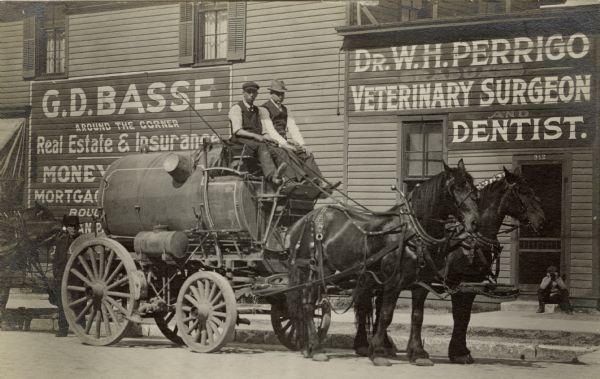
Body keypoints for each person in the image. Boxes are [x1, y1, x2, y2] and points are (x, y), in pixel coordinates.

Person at [260, 79, 327, 187]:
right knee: (288, 152)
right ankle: (297, 180)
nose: (281, 96)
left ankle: (318, 181)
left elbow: (293, 128)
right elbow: (271, 131)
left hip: (284, 142)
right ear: (271, 93)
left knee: (306, 153)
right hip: (272, 143)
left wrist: (302, 145)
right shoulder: (264, 109)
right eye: (278, 94)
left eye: (282, 94)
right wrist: (285, 144)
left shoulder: (286, 110)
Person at [228, 81, 285, 185]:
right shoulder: (236, 108)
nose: (251, 95)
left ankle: (285, 178)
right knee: (262, 146)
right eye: (249, 92)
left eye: (254, 92)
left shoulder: (257, 110)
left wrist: (268, 137)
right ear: (243, 93)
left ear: (256, 94)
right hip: (240, 142)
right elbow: (237, 130)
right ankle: (272, 176)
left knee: (276, 148)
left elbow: (263, 131)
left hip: (254, 141)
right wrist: (256, 136)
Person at [52, 215, 81, 337]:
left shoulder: (81, 240)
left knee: (78, 302)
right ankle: (63, 329)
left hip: (76, 276)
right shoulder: (60, 240)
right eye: (70, 226)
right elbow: (57, 259)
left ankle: (81, 328)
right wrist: (57, 274)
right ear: (66, 227)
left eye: (75, 226)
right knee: (61, 303)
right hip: (62, 275)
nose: (73, 229)